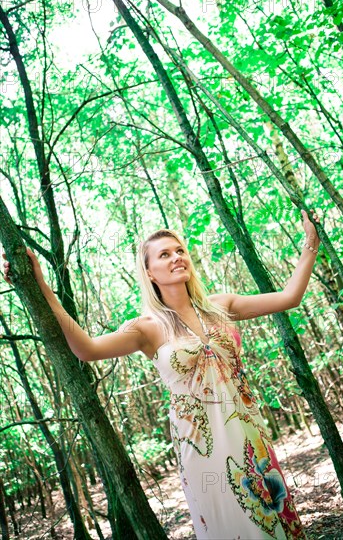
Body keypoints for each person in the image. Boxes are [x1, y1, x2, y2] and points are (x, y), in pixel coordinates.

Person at [3, 208, 321, 539]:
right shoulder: (147, 329)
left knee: (271, 520)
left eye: (180, 250)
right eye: (164, 255)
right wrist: (40, 284)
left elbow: (290, 297)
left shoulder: (220, 306)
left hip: (248, 431)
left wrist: (310, 243)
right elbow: (88, 349)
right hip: (201, 446)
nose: (176, 258)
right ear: (150, 272)